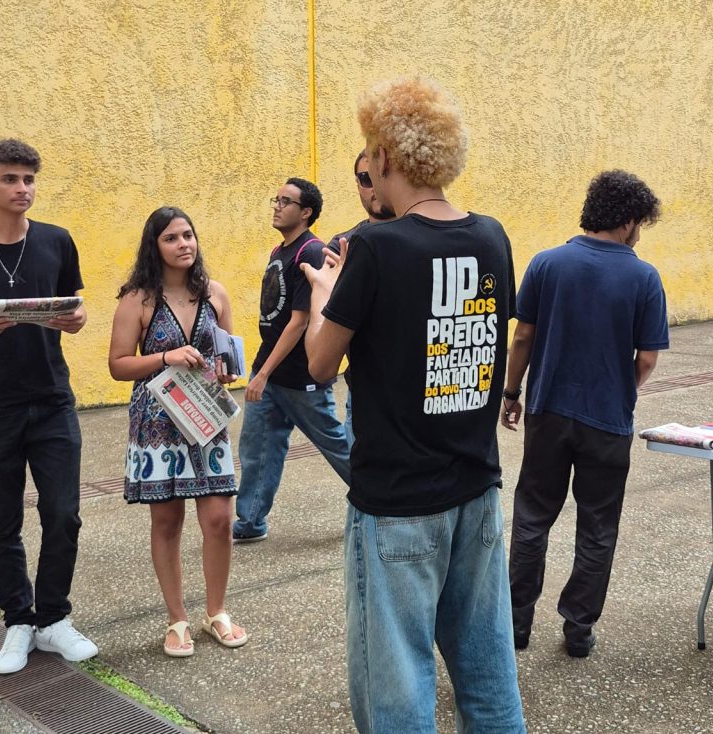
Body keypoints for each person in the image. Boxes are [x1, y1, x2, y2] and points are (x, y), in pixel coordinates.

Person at [301, 78, 526, 733]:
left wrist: (326, 292)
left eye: (369, 155)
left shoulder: (374, 247)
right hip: (476, 492)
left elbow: (318, 365)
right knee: (488, 682)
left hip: (397, 505)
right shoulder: (492, 237)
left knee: (396, 695)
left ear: (387, 158)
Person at [500, 170, 669, 657]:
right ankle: (578, 629)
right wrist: (620, 389)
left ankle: (516, 623)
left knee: (532, 516)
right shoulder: (644, 277)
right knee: (597, 526)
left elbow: (523, 337)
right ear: (630, 218)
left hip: (548, 412)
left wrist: (512, 394)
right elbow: (649, 358)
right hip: (607, 422)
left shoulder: (547, 263)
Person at [0, 139, 97, 674]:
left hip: (53, 400)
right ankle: (18, 619)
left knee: (63, 512)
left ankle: (53, 618)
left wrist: (76, 320)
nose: (22, 189)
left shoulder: (57, 241)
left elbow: (75, 309)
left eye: (29, 179)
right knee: (2, 518)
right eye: (11, 179)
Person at [109, 206, 247, 656]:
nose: (184, 244)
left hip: (206, 417)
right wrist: (165, 358)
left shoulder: (216, 294)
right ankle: (177, 620)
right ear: (155, 246)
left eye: (188, 234)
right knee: (167, 521)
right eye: (171, 238)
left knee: (220, 520)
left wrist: (227, 372)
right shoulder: (138, 299)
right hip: (158, 420)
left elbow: (228, 355)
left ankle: (217, 612)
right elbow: (118, 364)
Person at [232, 178, 350, 543]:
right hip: (269, 371)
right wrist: (262, 369)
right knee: (257, 448)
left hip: (301, 378)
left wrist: (263, 374)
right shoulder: (278, 252)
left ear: (306, 212)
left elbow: (300, 322)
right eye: (276, 199)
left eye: (286, 201)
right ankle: (250, 522)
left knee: (336, 445)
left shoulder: (310, 253)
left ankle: (385, 499)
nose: (277, 206)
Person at [327, 151, 396, 446]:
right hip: (365, 392)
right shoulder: (343, 245)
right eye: (365, 179)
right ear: (357, 184)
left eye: (380, 177)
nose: (374, 187)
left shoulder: (427, 237)